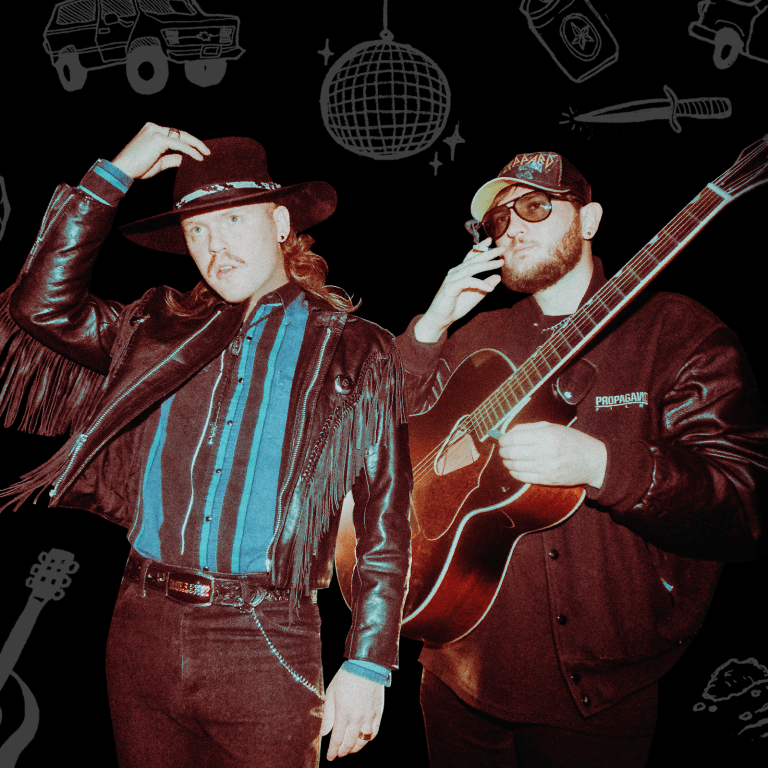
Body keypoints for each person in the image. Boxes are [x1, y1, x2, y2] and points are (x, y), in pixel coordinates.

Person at [0, 122, 412, 767]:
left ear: (280, 222)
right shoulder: (155, 327)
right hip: (140, 625)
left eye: (234, 221)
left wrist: (368, 663)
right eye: (197, 231)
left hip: (265, 636)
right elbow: (40, 304)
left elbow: (387, 517)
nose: (215, 248)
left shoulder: (356, 348)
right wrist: (116, 174)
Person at [395, 151, 766, 767]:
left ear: (588, 219)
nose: (510, 226)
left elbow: (744, 505)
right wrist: (430, 328)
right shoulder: (476, 339)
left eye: (535, 206)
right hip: (453, 665)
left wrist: (603, 466)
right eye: (495, 220)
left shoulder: (676, 332)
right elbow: (381, 439)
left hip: (594, 694)